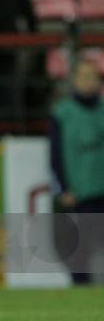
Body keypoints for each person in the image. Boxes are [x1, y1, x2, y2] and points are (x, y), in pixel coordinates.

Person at [50, 60, 104, 285]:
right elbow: (55, 154)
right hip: (79, 192)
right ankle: (80, 291)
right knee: (80, 248)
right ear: (74, 81)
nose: (88, 82)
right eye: (83, 77)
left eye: (92, 77)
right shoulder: (62, 113)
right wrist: (63, 187)